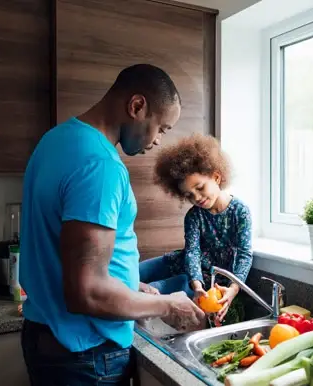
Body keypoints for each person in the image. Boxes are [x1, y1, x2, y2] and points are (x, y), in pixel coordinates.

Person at [19, 64, 206, 386]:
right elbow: (87, 293)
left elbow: (65, 252)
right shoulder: (100, 166)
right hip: (85, 353)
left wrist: (130, 283)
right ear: (137, 106)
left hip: (46, 335)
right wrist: (166, 303)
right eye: (161, 128)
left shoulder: (56, 140)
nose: (159, 140)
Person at [139, 134, 253, 327]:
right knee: (126, 273)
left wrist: (233, 289)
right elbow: (192, 252)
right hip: (181, 266)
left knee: (148, 294)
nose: (197, 197)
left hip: (197, 281)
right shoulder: (194, 215)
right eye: (189, 195)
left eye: (200, 188)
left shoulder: (240, 212)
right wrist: (197, 283)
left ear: (217, 177)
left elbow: (244, 255)